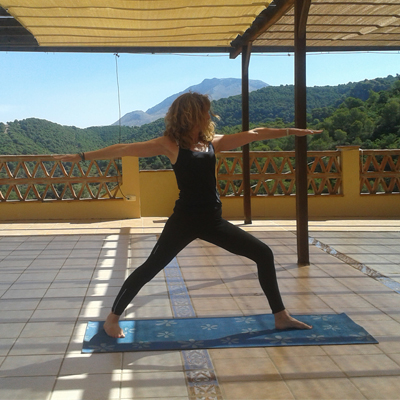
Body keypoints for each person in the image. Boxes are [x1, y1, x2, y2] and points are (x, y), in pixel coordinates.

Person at [55, 92, 318, 338]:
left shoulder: (213, 143)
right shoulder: (169, 144)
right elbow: (124, 148)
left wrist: (292, 131)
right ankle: (112, 319)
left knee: (263, 253)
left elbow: (255, 134)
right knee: (151, 267)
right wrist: (81, 156)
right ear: (192, 115)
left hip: (213, 221)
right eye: (206, 111)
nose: (210, 115)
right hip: (185, 220)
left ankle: (281, 316)